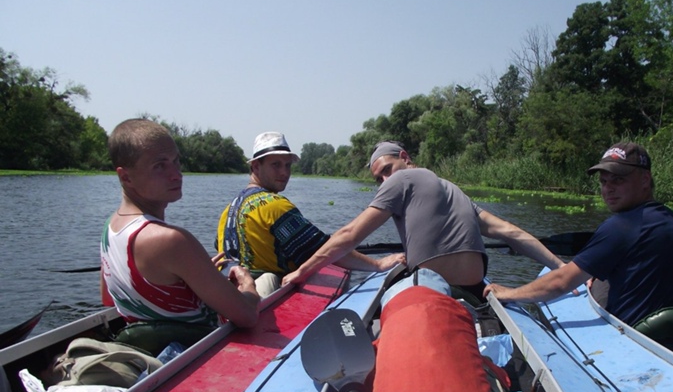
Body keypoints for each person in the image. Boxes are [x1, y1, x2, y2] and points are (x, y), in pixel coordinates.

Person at [282, 141, 565, 300]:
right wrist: (562, 267)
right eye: (379, 179)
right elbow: (510, 232)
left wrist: (302, 271)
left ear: (404, 158)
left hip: (432, 288)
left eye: (387, 170)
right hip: (475, 290)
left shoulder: (402, 179)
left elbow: (349, 235)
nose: (385, 181)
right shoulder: (454, 189)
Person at [484, 142, 673, 326]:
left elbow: (560, 283)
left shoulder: (621, 226)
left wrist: (509, 293)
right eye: (604, 182)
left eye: (618, 180)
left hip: (634, 336)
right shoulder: (670, 219)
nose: (608, 189)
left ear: (645, 179)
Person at [100, 119, 260, 345]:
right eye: (160, 166)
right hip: (194, 351)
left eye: (176, 161)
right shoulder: (172, 240)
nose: (176, 174)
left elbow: (109, 299)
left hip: (146, 346)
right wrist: (247, 284)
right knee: (268, 282)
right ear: (126, 177)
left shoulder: (110, 227)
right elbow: (248, 316)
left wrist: (190, 276)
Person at [217, 132, 404, 297]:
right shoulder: (274, 206)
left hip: (230, 295)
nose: (284, 172)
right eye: (276, 165)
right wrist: (377, 265)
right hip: (265, 296)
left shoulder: (228, 210)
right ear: (256, 167)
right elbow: (325, 251)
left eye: (288, 165)